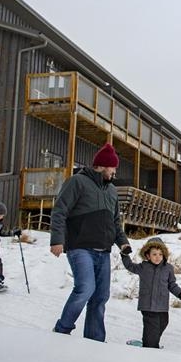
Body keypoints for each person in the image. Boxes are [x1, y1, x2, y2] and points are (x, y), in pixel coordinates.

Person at [50, 143, 132, 342]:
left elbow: (115, 222)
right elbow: (60, 211)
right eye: (113, 168)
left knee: (101, 297)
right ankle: (62, 330)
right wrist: (57, 240)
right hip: (80, 247)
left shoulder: (112, 191)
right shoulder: (77, 182)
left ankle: (95, 340)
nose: (115, 172)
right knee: (85, 288)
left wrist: (122, 242)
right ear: (102, 166)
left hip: (103, 251)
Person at [120, 236, 181, 349]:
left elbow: (172, 285)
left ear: (164, 255)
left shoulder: (168, 268)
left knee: (163, 323)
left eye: (160, 254)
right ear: (148, 255)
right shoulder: (143, 267)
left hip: (162, 305)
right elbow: (130, 266)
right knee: (151, 326)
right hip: (147, 305)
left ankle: (150, 342)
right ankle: (150, 346)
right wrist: (124, 255)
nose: (158, 257)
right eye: (154, 254)